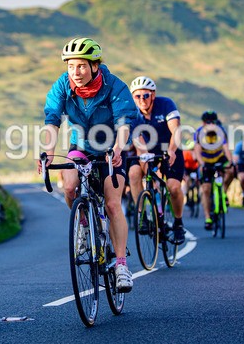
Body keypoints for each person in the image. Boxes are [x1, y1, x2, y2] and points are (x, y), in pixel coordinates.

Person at [38, 38, 138, 292]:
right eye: (71, 66)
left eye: (81, 66)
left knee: (113, 203)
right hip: (79, 146)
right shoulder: (63, 85)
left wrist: (118, 149)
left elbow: (124, 122)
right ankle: (84, 223)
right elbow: (52, 119)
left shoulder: (114, 86)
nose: (75, 72)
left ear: (95, 66)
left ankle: (122, 266)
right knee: (70, 188)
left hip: (110, 149)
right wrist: (48, 152)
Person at [126, 76, 187, 244]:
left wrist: (172, 151)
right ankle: (143, 217)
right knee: (133, 173)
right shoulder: (132, 113)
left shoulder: (166, 104)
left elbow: (176, 131)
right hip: (148, 151)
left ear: (153, 95)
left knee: (173, 188)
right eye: (137, 96)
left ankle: (178, 223)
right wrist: (150, 170)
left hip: (170, 149)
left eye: (145, 95)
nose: (142, 100)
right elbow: (139, 142)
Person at [193, 111, 234, 231]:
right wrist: (202, 164)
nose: (211, 124)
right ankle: (207, 218)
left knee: (231, 171)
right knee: (206, 189)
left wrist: (230, 162)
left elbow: (226, 148)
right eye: (208, 122)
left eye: (213, 122)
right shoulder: (199, 132)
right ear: (203, 123)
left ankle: (224, 193)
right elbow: (197, 150)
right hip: (206, 161)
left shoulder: (221, 131)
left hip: (219, 158)